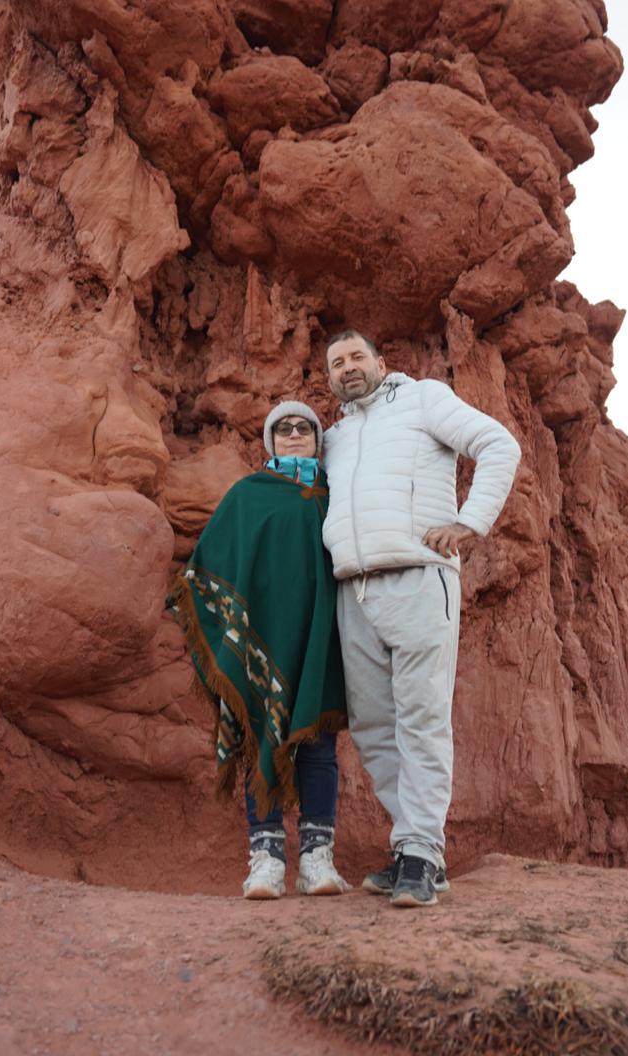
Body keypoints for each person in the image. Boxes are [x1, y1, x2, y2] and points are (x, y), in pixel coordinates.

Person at [322, 330, 521, 908]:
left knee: (421, 718)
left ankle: (422, 854)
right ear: (331, 378)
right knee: (373, 727)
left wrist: (469, 522)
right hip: (353, 591)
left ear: (381, 363)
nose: (348, 368)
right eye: (337, 363)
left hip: (417, 576)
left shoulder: (422, 398)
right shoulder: (333, 438)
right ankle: (413, 849)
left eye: (357, 357)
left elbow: (498, 444)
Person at [170, 401, 350, 900]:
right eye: (284, 429)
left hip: (320, 636)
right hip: (260, 636)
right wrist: (204, 602)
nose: (294, 434)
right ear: (271, 442)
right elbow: (214, 556)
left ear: (317, 439)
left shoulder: (334, 495)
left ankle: (317, 861)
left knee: (318, 747)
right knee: (259, 737)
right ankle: (266, 860)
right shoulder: (248, 496)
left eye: (304, 428)